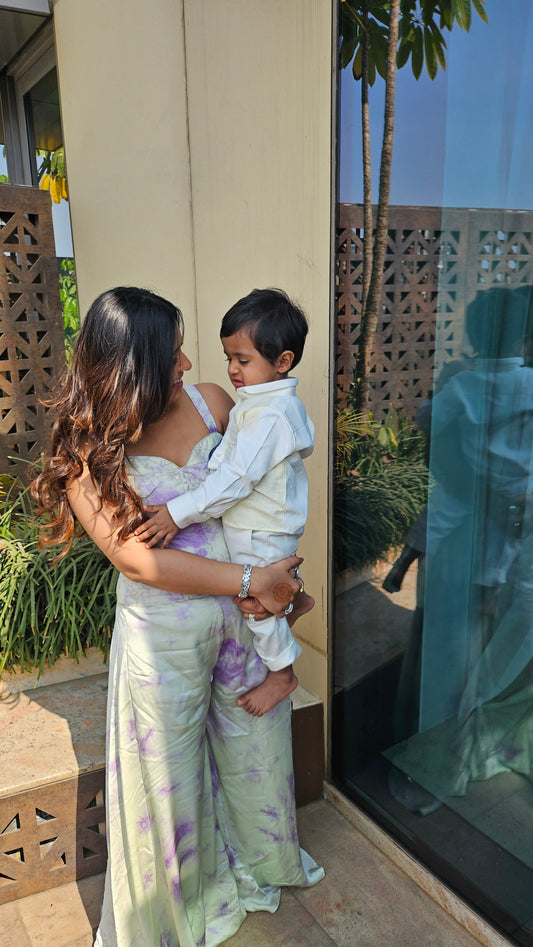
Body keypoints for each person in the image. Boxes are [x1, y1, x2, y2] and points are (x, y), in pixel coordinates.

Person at [31, 286, 324, 947]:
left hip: (241, 624)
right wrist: (254, 579)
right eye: (174, 354)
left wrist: (281, 578)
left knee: (254, 754)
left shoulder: (213, 404)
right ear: (133, 367)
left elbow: (262, 490)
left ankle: (259, 863)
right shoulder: (85, 457)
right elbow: (139, 561)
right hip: (163, 643)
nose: (191, 364)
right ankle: (169, 907)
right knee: (166, 783)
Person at [134, 288, 315, 716]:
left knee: (257, 605)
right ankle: (292, 602)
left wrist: (176, 514)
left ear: (282, 362)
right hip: (259, 523)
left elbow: (234, 480)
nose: (232, 369)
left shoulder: (270, 416)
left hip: (262, 527)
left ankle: (282, 675)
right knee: (262, 598)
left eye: (243, 360)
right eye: (228, 357)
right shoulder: (263, 404)